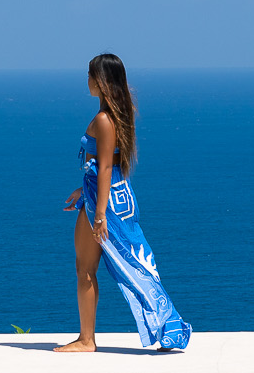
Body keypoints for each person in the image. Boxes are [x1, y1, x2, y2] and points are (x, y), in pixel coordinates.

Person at [54, 53, 192, 352]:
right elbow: (108, 166)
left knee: (87, 269)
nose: (87, 80)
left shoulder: (104, 120)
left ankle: (87, 340)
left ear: (101, 81)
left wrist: (99, 213)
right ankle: (167, 327)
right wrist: (83, 189)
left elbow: (105, 166)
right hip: (112, 196)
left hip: (103, 203)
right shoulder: (116, 116)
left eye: (90, 75)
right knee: (134, 263)